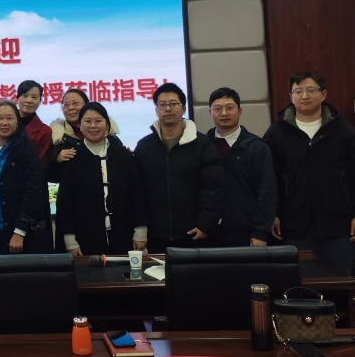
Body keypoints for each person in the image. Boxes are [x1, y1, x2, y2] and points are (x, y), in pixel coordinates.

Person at [263, 71, 355, 275]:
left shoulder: (343, 131)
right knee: (302, 286)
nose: (304, 96)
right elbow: (269, 179)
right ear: (290, 96)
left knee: (341, 284)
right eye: (298, 91)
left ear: (323, 94)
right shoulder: (277, 133)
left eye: (311, 90)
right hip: (294, 226)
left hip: (338, 226)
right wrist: (273, 214)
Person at [133, 83, 224, 252]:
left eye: (173, 104)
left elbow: (214, 187)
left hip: (194, 235)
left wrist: (206, 224)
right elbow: (138, 192)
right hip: (155, 236)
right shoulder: (144, 147)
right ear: (156, 110)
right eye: (162, 105)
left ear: (183, 109)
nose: (168, 109)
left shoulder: (202, 144)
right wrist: (141, 229)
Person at [55, 102, 147, 256]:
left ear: (108, 125)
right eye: (87, 121)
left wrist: (141, 231)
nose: (93, 126)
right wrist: (70, 240)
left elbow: (137, 194)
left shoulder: (124, 156)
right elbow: (65, 203)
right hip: (85, 237)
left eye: (98, 121)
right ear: (80, 126)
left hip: (124, 233)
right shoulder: (72, 159)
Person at [0, 99, 51, 255]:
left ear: (17, 122)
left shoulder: (26, 151)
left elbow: (34, 192)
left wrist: (20, 231)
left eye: (9, 118)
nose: (4, 123)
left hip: (20, 233)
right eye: (0, 118)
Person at [207, 87, 277, 247]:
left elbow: (266, 192)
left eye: (229, 108)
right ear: (210, 112)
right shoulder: (202, 146)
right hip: (208, 235)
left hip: (247, 234)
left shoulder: (257, 147)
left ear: (239, 111)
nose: (224, 113)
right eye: (217, 109)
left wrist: (260, 232)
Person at [48, 88, 122, 183]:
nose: (71, 108)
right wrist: (57, 160)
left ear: (87, 105)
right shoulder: (57, 137)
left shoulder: (108, 133)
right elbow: (49, 175)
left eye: (75, 103)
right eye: (66, 105)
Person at [16, 80, 52, 164]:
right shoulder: (5, 124)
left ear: (40, 101)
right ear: (17, 98)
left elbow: (40, 163)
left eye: (34, 97)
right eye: (25, 96)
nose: (29, 100)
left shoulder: (45, 131)